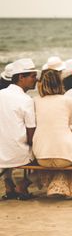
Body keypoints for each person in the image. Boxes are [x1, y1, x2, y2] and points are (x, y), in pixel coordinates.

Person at [32, 69, 72, 198]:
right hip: (65, 157)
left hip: (41, 156)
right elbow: (65, 125)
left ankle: (58, 187)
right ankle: (65, 188)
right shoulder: (69, 100)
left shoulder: (35, 101)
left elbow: (49, 122)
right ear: (59, 83)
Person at [0, 59, 38, 199]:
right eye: (33, 76)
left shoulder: (1, 94)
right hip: (19, 155)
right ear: (21, 77)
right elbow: (30, 134)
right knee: (48, 156)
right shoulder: (26, 100)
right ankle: (22, 186)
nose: (36, 79)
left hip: (1, 153)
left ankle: (9, 184)